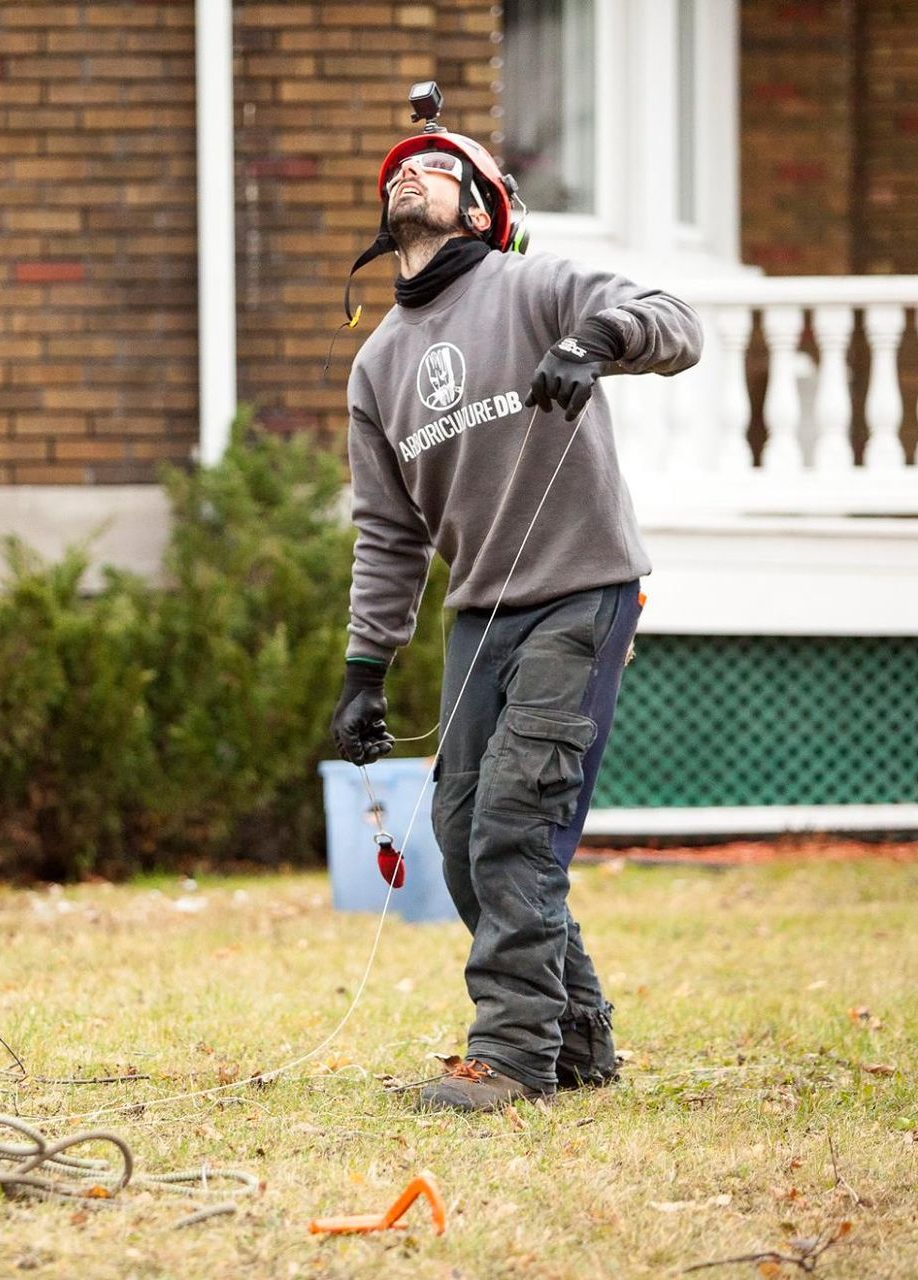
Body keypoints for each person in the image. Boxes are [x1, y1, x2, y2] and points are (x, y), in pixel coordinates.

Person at [329, 93, 703, 1112]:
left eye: (439, 166)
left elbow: (678, 321)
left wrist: (599, 340)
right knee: (461, 833)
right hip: (480, 612)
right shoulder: (378, 367)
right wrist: (365, 670)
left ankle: (511, 1054)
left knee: (514, 823)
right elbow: (390, 532)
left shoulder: (536, 283)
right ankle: (577, 1039)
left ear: (485, 205)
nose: (410, 173)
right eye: (398, 167)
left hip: (582, 589)